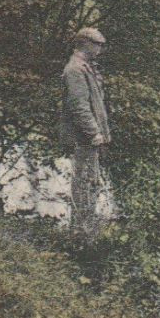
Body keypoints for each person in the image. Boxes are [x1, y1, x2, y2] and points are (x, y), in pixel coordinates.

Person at [60, 26, 111, 238]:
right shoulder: (75, 70)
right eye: (96, 44)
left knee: (91, 183)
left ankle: (85, 230)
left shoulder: (86, 67)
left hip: (88, 139)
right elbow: (79, 106)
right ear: (85, 44)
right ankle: (81, 233)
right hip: (84, 139)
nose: (100, 48)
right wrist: (94, 133)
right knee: (84, 184)